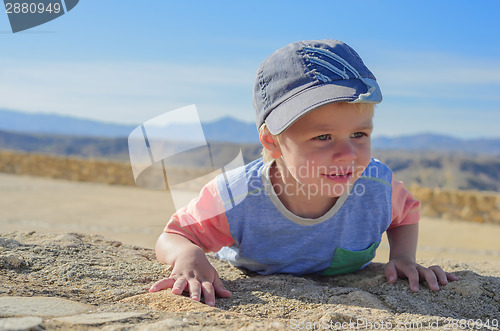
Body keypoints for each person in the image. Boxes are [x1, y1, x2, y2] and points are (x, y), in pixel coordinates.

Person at [149, 39, 458, 306]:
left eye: (359, 135)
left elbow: (405, 214)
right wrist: (187, 256)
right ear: (273, 142)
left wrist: (402, 257)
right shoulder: (237, 196)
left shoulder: (376, 186)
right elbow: (175, 234)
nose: (348, 154)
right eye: (322, 137)